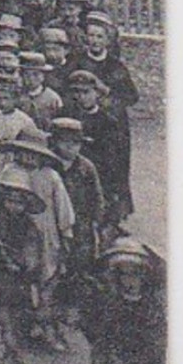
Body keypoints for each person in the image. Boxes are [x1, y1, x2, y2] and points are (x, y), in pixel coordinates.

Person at [4, 127, 75, 353]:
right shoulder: (9, 171)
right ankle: (22, 328)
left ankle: (47, 328)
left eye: (34, 154)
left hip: (46, 235)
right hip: (16, 233)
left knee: (47, 282)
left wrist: (65, 235)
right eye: (24, 152)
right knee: (21, 282)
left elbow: (63, 209)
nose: (28, 158)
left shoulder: (50, 177)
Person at [80, 238, 167, 364]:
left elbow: (157, 348)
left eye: (134, 274)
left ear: (144, 276)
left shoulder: (151, 309)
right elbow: (93, 332)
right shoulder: (108, 303)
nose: (128, 280)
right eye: (122, 274)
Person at [0, 165, 47, 364]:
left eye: (19, 202)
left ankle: (14, 349)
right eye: (10, 200)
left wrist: (24, 264)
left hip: (17, 277)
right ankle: (3, 351)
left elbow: (33, 251)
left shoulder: (30, 226)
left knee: (17, 314)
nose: (13, 206)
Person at [49, 117, 106, 312]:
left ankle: (74, 305)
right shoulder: (49, 164)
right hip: (55, 220)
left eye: (76, 143)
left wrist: (96, 221)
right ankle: (52, 302)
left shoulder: (86, 167)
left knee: (79, 262)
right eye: (65, 142)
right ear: (55, 142)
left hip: (81, 222)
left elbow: (97, 196)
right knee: (54, 260)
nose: (71, 148)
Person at [67, 70, 132, 227]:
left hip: (101, 180)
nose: (81, 97)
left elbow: (118, 160)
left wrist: (118, 192)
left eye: (86, 92)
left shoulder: (109, 122)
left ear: (96, 93)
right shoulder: (67, 117)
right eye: (76, 92)